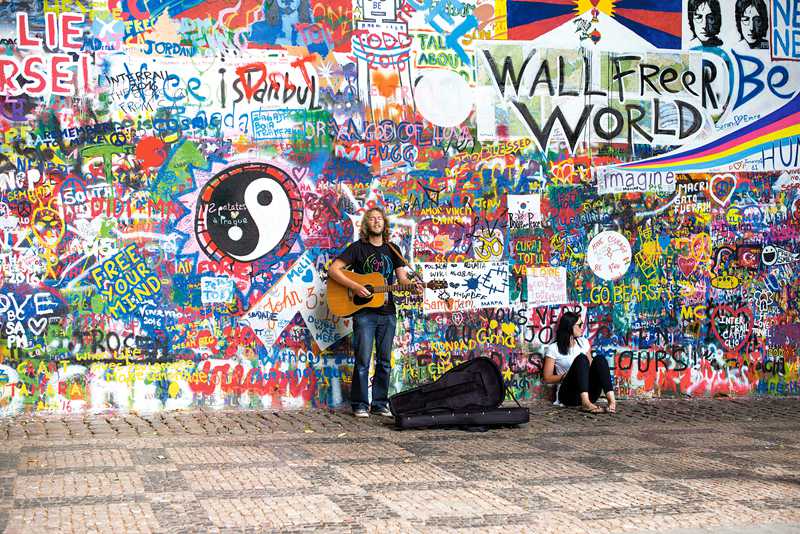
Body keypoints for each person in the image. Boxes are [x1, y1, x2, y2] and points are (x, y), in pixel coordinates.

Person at [329, 207, 423, 418]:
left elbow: (402, 280)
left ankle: (380, 404)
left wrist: (412, 286)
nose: (376, 222)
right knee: (363, 360)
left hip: (387, 312)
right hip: (364, 314)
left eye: (380, 219)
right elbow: (333, 270)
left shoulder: (393, 249)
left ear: (384, 224)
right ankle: (360, 404)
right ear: (366, 224)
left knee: (384, 361)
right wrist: (354, 286)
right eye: (372, 219)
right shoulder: (358, 248)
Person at [542, 311, 617, 413]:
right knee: (581, 359)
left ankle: (611, 401)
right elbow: (547, 378)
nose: (582, 328)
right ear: (569, 326)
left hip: (590, 393)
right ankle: (585, 402)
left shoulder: (583, 342)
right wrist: (566, 376)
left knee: (600, 359)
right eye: (579, 325)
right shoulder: (554, 348)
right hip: (569, 395)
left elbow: (591, 367)